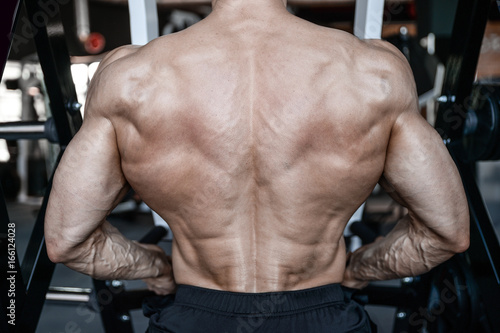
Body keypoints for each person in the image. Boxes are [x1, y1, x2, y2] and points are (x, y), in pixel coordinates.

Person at [44, 0, 470, 332]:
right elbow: (447, 231)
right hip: (322, 315)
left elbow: (67, 239)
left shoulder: (129, 77)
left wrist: (155, 266)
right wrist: (359, 269)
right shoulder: (374, 71)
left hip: (194, 314)